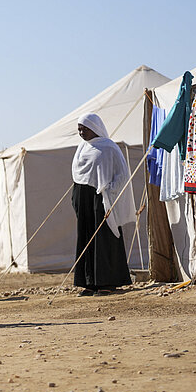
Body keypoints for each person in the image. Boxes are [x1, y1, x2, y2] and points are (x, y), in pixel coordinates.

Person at [71, 113, 133, 295]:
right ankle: (89, 282)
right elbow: (78, 173)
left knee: (104, 235)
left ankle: (108, 282)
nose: (81, 133)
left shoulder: (109, 147)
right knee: (86, 236)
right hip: (84, 196)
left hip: (102, 196)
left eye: (85, 129)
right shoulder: (82, 148)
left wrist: (110, 190)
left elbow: (122, 174)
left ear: (94, 128)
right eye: (79, 129)